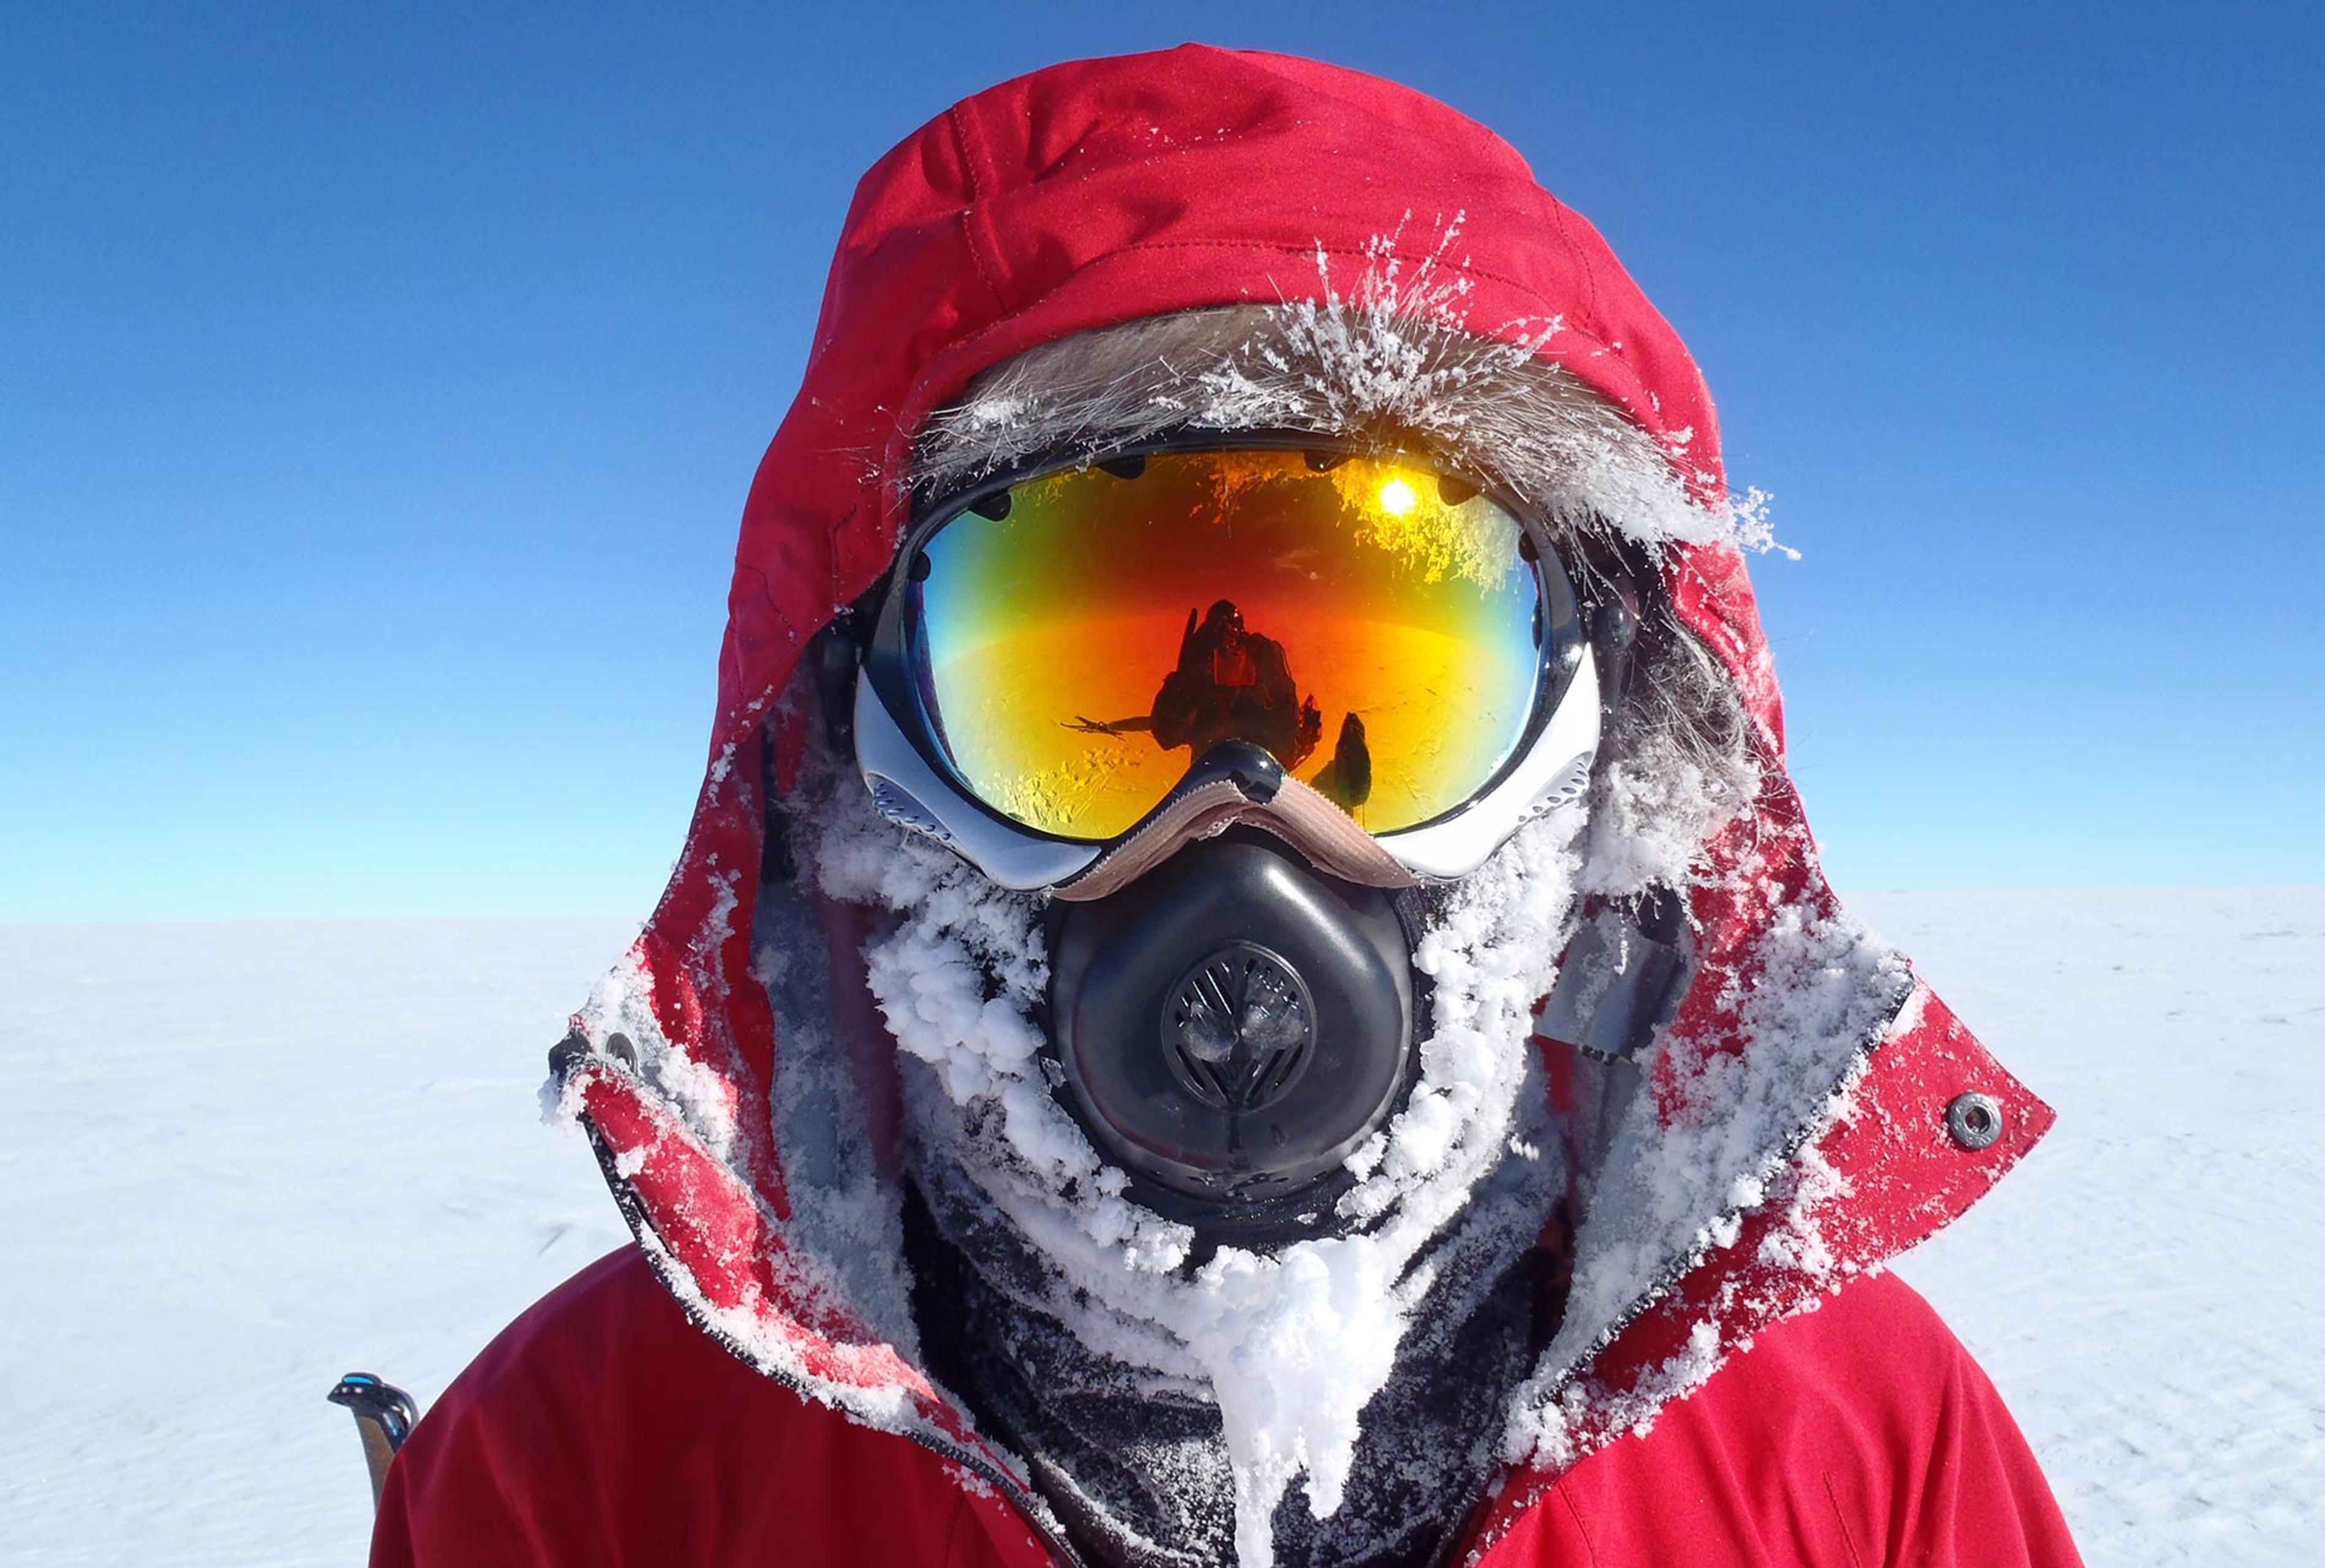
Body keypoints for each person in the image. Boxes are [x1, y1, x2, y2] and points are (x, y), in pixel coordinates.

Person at [370, 45, 2082, 1567]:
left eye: (1395, 696)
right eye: (1066, 704)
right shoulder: (573, 1480)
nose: (1243, 825)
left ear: (1594, 769)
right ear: (864, 773)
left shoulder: (1865, 1458)